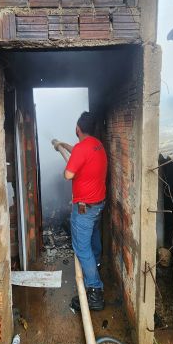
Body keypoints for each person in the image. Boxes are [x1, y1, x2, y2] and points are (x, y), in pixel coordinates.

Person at [53, 111, 107, 312]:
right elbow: (77, 150)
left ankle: (94, 291)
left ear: (77, 128)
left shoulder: (81, 150)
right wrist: (62, 145)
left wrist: (66, 167)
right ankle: (96, 267)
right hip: (98, 205)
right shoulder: (97, 145)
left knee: (82, 248)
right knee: (93, 240)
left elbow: (68, 174)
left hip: (84, 208)